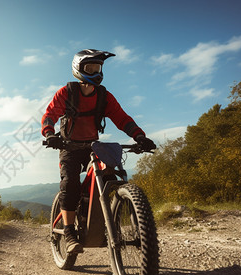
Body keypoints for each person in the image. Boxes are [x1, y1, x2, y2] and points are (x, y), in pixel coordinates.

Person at [41, 49, 156, 254]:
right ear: (78, 69)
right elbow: (50, 115)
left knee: (110, 174)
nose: (95, 72)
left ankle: (105, 219)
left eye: (98, 67)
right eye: (90, 68)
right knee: (70, 184)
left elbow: (122, 118)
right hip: (69, 146)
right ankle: (69, 233)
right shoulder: (66, 93)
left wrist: (139, 136)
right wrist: (49, 134)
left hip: (93, 145)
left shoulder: (103, 96)